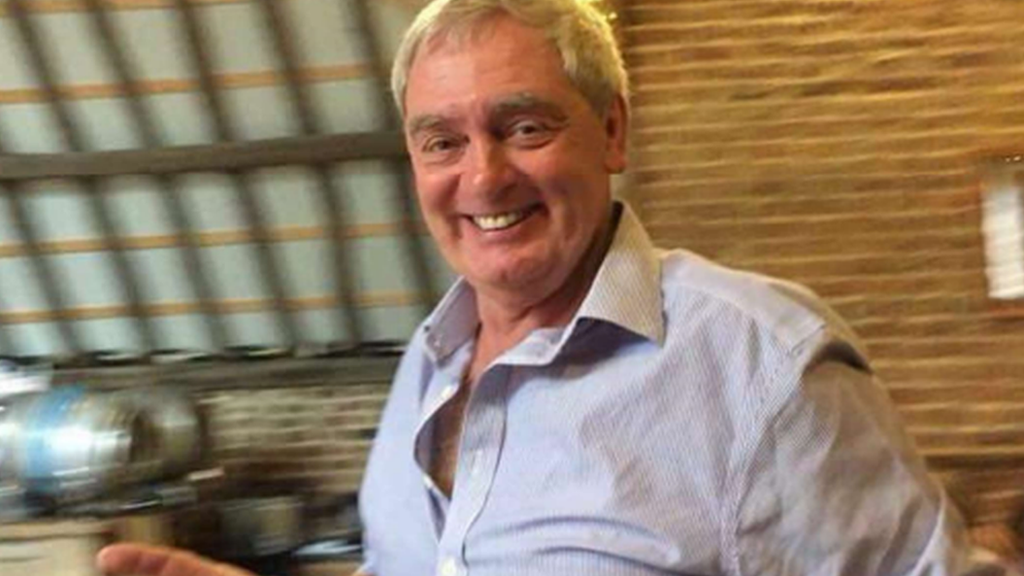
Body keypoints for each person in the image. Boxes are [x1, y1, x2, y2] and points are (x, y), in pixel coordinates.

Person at [97, 0, 1019, 575]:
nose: (484, 178)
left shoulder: (759, 365)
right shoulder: (426, 363)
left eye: (525, 125)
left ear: (612, 133)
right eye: (441, 141)